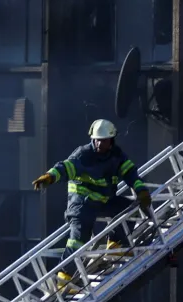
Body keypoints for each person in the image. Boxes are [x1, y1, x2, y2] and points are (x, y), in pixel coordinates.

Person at [31, 119, 152, 292]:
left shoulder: (117, 156)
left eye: (103, 140)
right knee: (78, 239)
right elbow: (65, 167)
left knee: (129, 209)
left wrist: (141, 191)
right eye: (97, 139)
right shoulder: (83, 155)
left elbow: (131, 174)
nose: (99, 143)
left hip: (103, 201)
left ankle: (116, 245)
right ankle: (64, 279)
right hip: (82, 204)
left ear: (112, 140)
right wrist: (50, 177)